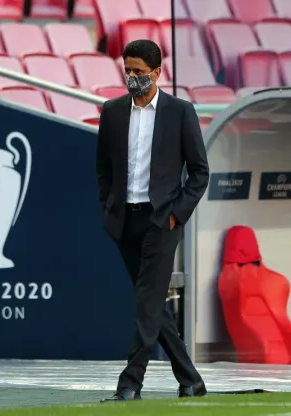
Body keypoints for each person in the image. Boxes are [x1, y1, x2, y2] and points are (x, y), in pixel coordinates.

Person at [96, 39, 210, 400]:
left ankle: (131, 382)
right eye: (127, 70)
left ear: (157, 73)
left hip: (162, 221)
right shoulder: (112, 111)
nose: (132, 77)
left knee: (147, 302)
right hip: (124, 222)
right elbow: (103, 169)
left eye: (139, 72)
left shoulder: (180, 112)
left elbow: (199, 172)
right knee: (153, 304)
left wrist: (177, 214)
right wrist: (107, 207)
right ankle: (191, 380)